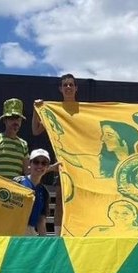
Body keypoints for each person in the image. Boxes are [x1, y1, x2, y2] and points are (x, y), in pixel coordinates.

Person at [32, 73, 78, 236]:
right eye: (65, 85)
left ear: (75, 88)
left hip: (82, 163)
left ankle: (78, 233)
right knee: (59, 198)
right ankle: (59, 235)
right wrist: (36, 110)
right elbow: (36, 130)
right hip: (63, 162)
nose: (68, 87)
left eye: (71, 85)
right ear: (60, 89)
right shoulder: (55, 111)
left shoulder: (83, 110)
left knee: (81, 198)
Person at [14, 149, 51, 236]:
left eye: (44, 163)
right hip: (12, 229)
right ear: (30, 164)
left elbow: (41, 220)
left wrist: (44, 242)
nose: (40, 165)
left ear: (47, 167)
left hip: (30, 232)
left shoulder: (44, 192)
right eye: (36, 162)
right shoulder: (17, 182)